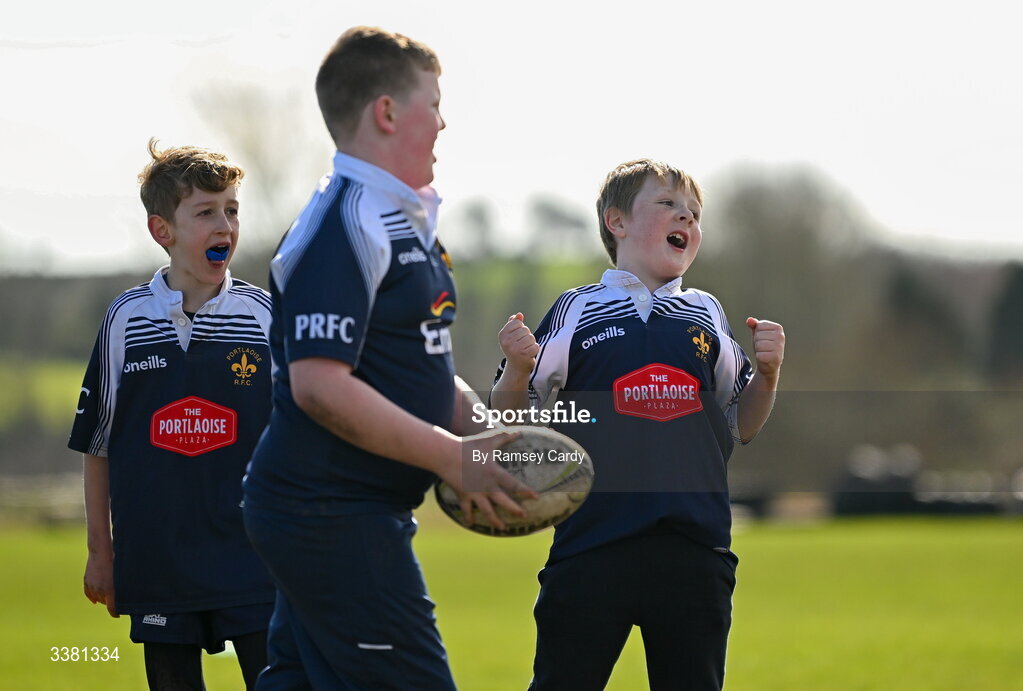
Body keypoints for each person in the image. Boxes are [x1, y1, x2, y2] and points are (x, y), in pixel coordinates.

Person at [241, 26, 533, 690]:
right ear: (387, 111)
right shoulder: (347, 220)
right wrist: (450, 457)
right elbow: (318, 385)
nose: (443, 120)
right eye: (432, 102)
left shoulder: (403, 221)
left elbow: (417, 366)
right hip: (328, 514)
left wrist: (476, 426)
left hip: (337, 512)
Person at [491, 159, 786, 690]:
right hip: (592, 546)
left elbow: (744, 421)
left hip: (695, 551)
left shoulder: (706, 314)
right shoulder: (577, 309)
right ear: (617, 222)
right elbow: (511, 414)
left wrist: (767, 373)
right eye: (668, 205)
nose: (687, 218)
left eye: (695, 213)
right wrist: (515, 368)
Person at [69, 139, 275, 690]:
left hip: (256, 562)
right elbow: (98, 446)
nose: (224, 224)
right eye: (206, 212)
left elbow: (303, 439)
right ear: (163, 231)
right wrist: (100, 554)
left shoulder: (262, 318)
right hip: (158, 562)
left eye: (232, 210)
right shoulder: (125, 321)